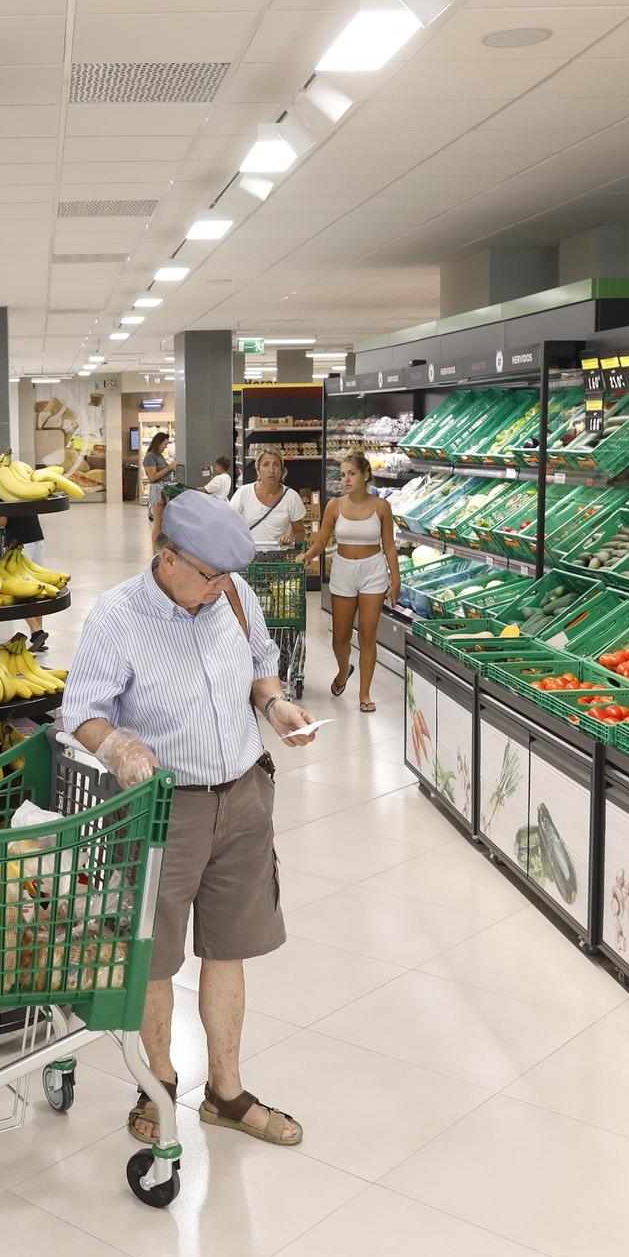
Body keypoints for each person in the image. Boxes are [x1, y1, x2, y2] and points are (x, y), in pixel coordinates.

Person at [62, 490, 316, 1149]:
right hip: (165, 809)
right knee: (154, 956)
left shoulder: (232, 595)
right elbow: (81, 710)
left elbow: (262, 662)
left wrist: (275, 703)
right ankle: (160, 1082)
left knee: (229, 945)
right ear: (165, 555)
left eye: (223, 577)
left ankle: (226, 1092)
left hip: (244, 794)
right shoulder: (117, 617)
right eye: (205, 575)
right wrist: (117, 745)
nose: (216, 588)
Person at [302, 452, 401, 713]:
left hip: (373, 571)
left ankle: (364, 694)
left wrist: (396, 579)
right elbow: (322, 541)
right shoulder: (334, 506)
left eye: (351, 473)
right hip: (343, 570)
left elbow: (389, 546)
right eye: (343, 474)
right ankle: (344, 669)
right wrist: (308, 555)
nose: (345, 479)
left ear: (366, 475)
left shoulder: (381, 507)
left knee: (368, 636)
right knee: (341, 637)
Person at [0, 444, 48, 651]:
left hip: (19, 544)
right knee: (36, 589)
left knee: (18, 588)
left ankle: (36, 631)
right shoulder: (12, 480)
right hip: (36, 537)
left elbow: (3, 519)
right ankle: (38, 636)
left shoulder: (0, 485)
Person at [229, 450, 307, 549]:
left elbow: (300, 532)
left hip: (279, 559)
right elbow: (229, 524)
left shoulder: (291, 497)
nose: (271, 470)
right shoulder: (244, 493)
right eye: (266, 464)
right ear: (258, 470)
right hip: (249, 557)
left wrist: (291, 538)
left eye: (276, 465)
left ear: (281, 470)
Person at [141, 430, 180, 519]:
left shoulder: (159, 455)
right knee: (158, 523)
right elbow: (152, 477)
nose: (165, 447)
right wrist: (169, 468)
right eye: (164, 444)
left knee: (164, 523)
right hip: (157, 491)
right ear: (158, 443)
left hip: (162, 491)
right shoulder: (150, 456)